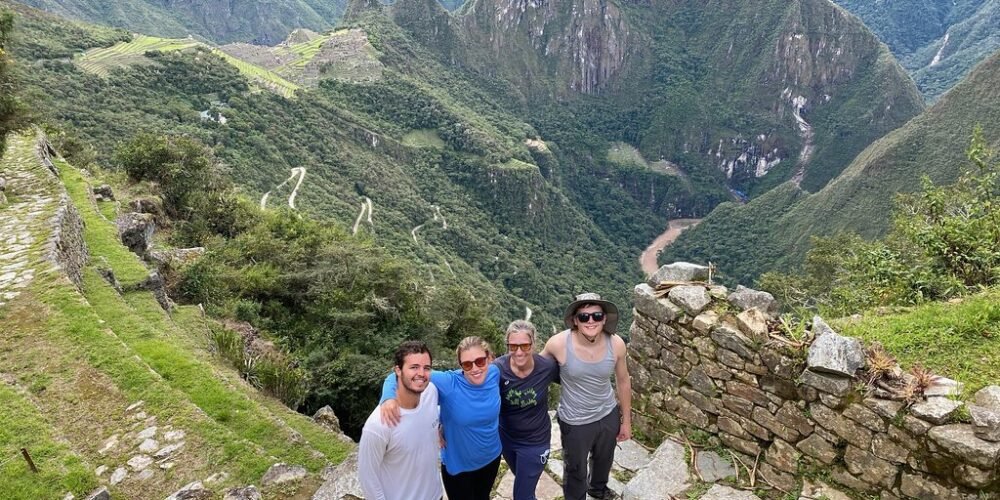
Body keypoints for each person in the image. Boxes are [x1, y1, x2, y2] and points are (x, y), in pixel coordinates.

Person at [380, 336, 502, 500]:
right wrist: (388, 398)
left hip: (491, 457)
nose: (475, 368)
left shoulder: (494, 373)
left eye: (480, 361)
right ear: (460, 366)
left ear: (489, 358)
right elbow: (398, 375)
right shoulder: (449, 383)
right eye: (467, 364)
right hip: (460, 467)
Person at [541, 293, 632, 500]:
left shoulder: (616, 343)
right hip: (575, 420)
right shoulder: (558, 344)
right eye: (584, 316)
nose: (590, 321)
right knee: (575, 469)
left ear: (604, 319)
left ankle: (597, 490)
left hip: (607, 413)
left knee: (604, 459)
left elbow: (623, 381)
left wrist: (626, 421)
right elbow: (536, 372)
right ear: (575, 320)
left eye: (596, 315)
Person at [358, 341, 442, 500]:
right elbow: (367, 478)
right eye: (414, 367)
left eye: (427, 368)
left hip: (435, 495)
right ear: (398, 370)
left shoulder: (431, 392)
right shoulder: (378, 424)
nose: (422, 373)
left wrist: (442, 427)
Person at [496, 320, 560, 500]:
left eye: (524, 345)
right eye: (513, 346)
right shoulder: (498, 369)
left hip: (535, 441)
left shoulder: (546, 367)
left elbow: (574, 379)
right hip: (507, 440)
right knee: (524, 482)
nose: (518, 352)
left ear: (533, 344)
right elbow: (474, 391)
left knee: (522, 495)